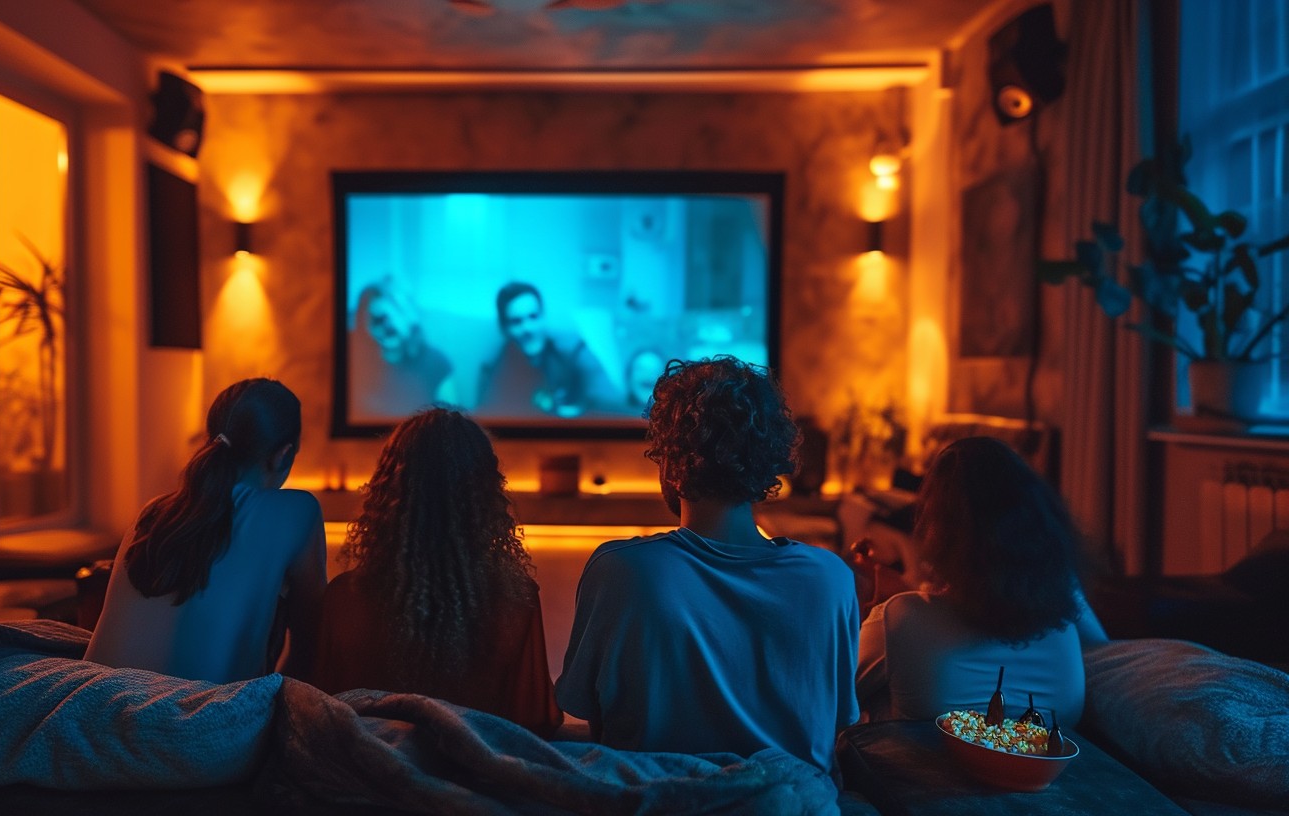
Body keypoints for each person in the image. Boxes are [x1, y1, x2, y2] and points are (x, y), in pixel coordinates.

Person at [556, 356, 860, 775]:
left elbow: (595, 721)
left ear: (669, 463)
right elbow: (837, 726)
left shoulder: (621, 571)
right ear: (771, 459)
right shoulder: (832, 580)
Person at [287, 407, 562, 736]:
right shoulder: (517, 600)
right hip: (473, 779)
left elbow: (324, 716)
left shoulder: (344, 597)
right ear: (487, 495)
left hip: (368, 779)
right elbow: (533, 725)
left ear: (388, 493)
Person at [855, 436, 1110, 728]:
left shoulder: (902, 616)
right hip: (1050, 772)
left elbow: (828, 699)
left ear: (942, 529)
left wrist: (860, 615)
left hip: (920, 769)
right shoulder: (1064, 608)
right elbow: (1106, 654)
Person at [84, 378, 326, 685]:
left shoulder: (153, 511)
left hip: (95, 705)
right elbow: (310, 645)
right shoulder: (296, 511)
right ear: (283, 454)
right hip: (195, 724)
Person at [475, 282, 616, 418]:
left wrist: (579, 413)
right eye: (516, 321)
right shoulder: (493, 365)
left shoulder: (574, 350)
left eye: (533, 316)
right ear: (504, 327)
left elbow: (610, 402)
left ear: (543, 316)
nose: (527, 328)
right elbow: (488, 419)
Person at [349, 280, 455, 417]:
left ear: (410, 315)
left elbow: (455, 424)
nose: (387, 326)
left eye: (397, 311)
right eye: (377, 319)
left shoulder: (437, 363)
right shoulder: (355, 365)